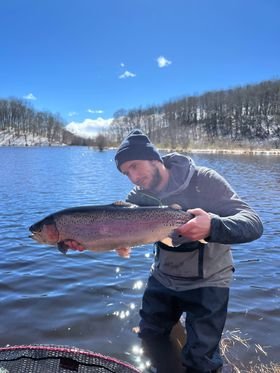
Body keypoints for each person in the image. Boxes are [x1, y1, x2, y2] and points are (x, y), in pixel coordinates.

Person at [114, 129, 263, 373]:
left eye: (135, 166)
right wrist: (86, 239)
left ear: (155, 159)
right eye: (126, 172)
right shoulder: (139, 196)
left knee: (200, 362)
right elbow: (119, 231)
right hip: (163, 277)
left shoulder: (204, 180)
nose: (132, 177)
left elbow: (254, 223)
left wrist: (213, 225)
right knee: (150, 335)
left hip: (209, 281)